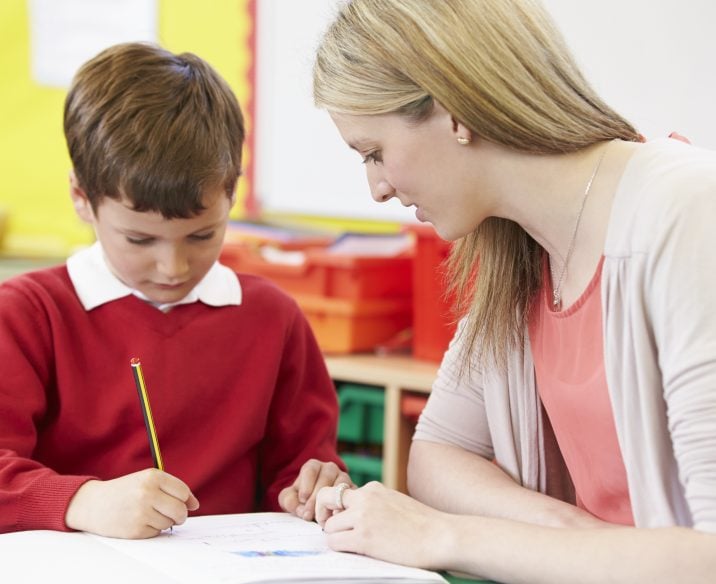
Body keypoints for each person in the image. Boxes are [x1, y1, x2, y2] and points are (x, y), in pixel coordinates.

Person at [311, 1, 716, 582]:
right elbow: (438, 453)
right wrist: (572, 534)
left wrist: (442, 535)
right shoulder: (522, 248)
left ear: (452, 111)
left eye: (375, 152)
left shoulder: (690, 212)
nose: (376, 188)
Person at [0, 42, 350, 539]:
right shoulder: (26, 314)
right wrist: (83, 501)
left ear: (232, 191)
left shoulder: (273, 318)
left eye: (202, 235)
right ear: (82, 197)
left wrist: (313, 489)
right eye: (140, 239)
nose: (173, 266)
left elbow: (300, 468)